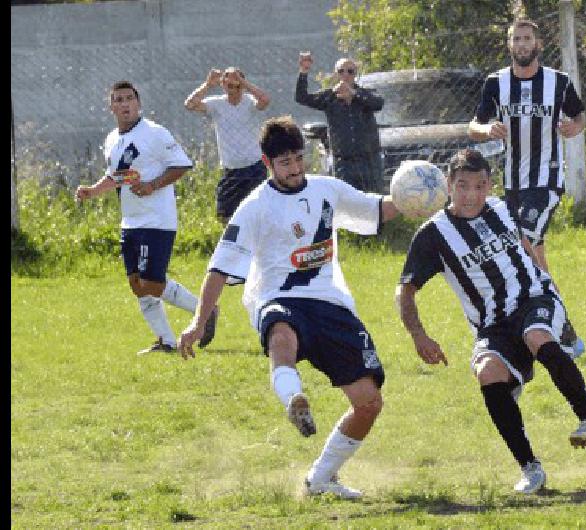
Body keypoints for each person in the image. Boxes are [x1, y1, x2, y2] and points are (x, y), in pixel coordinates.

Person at [178, 115, 402, 499]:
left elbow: (375, 210)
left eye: (299, 158)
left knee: (369, 402)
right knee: (282, 334)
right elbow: (218, 269)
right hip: (277, 298)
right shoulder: (254, 208)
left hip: (330, 303)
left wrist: (416, 196)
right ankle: (294, 399)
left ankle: (320, 480)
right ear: (268, 164)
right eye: (285, 162)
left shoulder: (327, 189)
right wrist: (199, 322)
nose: (295, 168)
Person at [395, 149, 586, 495]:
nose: (471, 195)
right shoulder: (433, 235)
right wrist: (419, 336)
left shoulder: (502, 207)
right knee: (487, 372)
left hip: (534, 298)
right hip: (492, 325)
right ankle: (531, 470)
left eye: (480, 186)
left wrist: (559, 305)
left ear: (489, 185)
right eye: (462, 186)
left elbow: (527, 248)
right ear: (449, 185)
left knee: (536, 334)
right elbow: (405, 292)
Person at [468, 17, 586, 357]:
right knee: (535, 259)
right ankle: (562, 330)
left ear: (537, 44)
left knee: (521, 243)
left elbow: (580, 117)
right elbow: (474, 124)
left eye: (527, 39)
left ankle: (544, 326)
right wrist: (486, 129)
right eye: (516, 39)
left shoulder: (558, 82)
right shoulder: (496, 83)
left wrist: (573, 128)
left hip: (546, 180)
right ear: (510, 45)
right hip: (513, 183)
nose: (522, 44)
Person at [75, 81, 218, 354]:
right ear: (111, 107)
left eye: (129, 98)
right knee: (137, 284)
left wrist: (152, 185)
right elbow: (117, 176)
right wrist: (92, 191)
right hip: (130, 221)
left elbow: (182, 164)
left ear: (138, 103)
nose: (124, 104)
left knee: (152, 282)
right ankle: (165, 341)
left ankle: (206, 310)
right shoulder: (111, 140)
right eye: (118, 99)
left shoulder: (154, 133)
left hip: (157, 220)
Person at [184, 67, 272, 224]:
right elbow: (190, 104)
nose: (231, 84)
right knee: (224, 214)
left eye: (235, 81)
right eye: (227, 81)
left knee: (259, 214)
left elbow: (265, 100)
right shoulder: (217, 104)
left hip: (254, 166)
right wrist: (207, 85)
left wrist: (244, 82)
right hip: (231, 168)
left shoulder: (250, 102)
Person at [295, 52, 384, 193]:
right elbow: (301, 97)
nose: (345, 75)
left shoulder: (365, 94)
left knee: (373, 198)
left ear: (355, 74)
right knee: (345, 202)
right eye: (341, 71)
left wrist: (354, 93)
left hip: (368, 160)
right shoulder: (330, 97)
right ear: (336, 74)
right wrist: (304, 72)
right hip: (343, 161)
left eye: (350, 71)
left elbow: (378, 103)